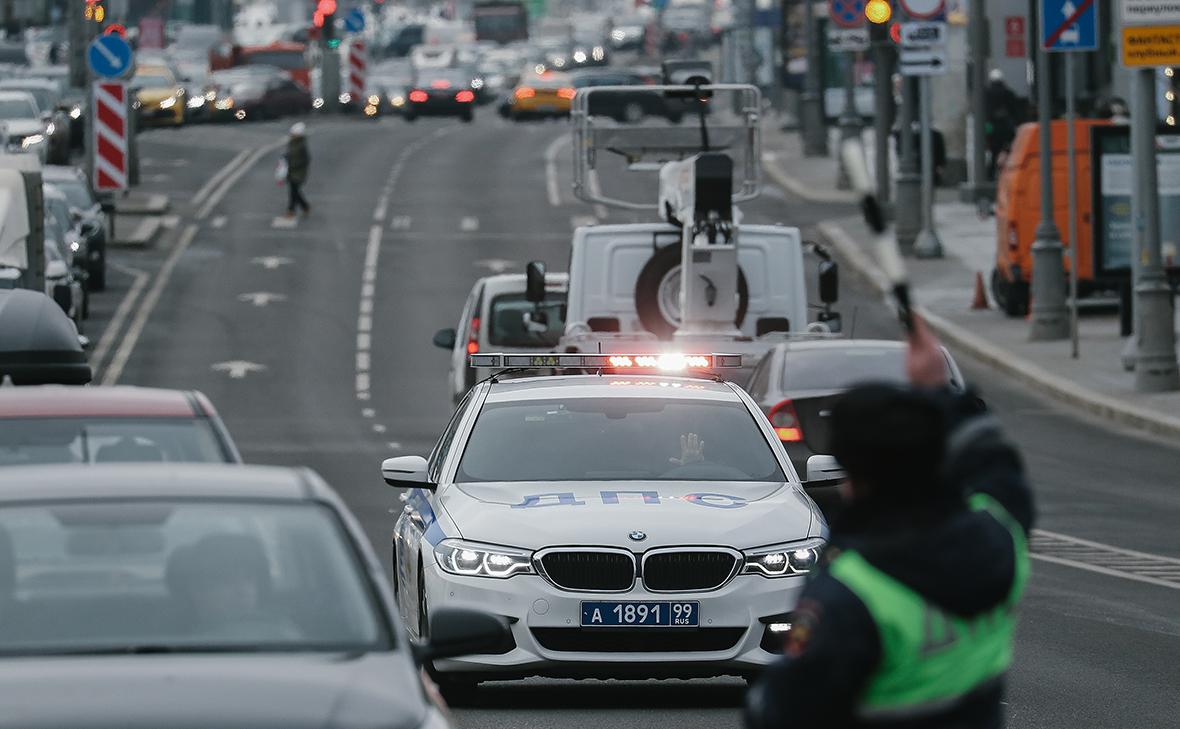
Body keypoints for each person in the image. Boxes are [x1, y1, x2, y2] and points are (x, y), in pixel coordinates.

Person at [745, 315, 1034, 729]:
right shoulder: (1002, 541)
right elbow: (997, 464)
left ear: (852, 477)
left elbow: (778, 713)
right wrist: (939, 391)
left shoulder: (852, 593)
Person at [984, 69, 1021, 181]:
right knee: (1008, 150)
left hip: (990, 127)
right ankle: (1008, 173)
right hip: (1007, 128)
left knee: (993, 151)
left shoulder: (986, 94)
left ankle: (990, 175)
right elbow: (1015, 111)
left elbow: (984, 111)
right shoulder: (1009, 93)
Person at [284, 122, 310, 218]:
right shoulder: (292, 143)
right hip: (290, 170)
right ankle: (305, 206)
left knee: (293, 191)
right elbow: (289, 154)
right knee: (294, 191)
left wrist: (294, 165)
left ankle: (291, 209)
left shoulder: (302, 145)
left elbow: (305, 159)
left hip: (299, 172)